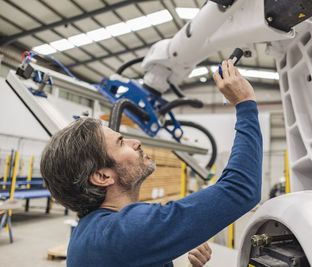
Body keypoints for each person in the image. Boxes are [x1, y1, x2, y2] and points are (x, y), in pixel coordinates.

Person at [40, 60, 262, 267]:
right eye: (121, 142)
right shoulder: (124, 232)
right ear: (102, 176)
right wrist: (245, 104)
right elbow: (240, 189)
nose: (136, 142)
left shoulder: (96, 233)